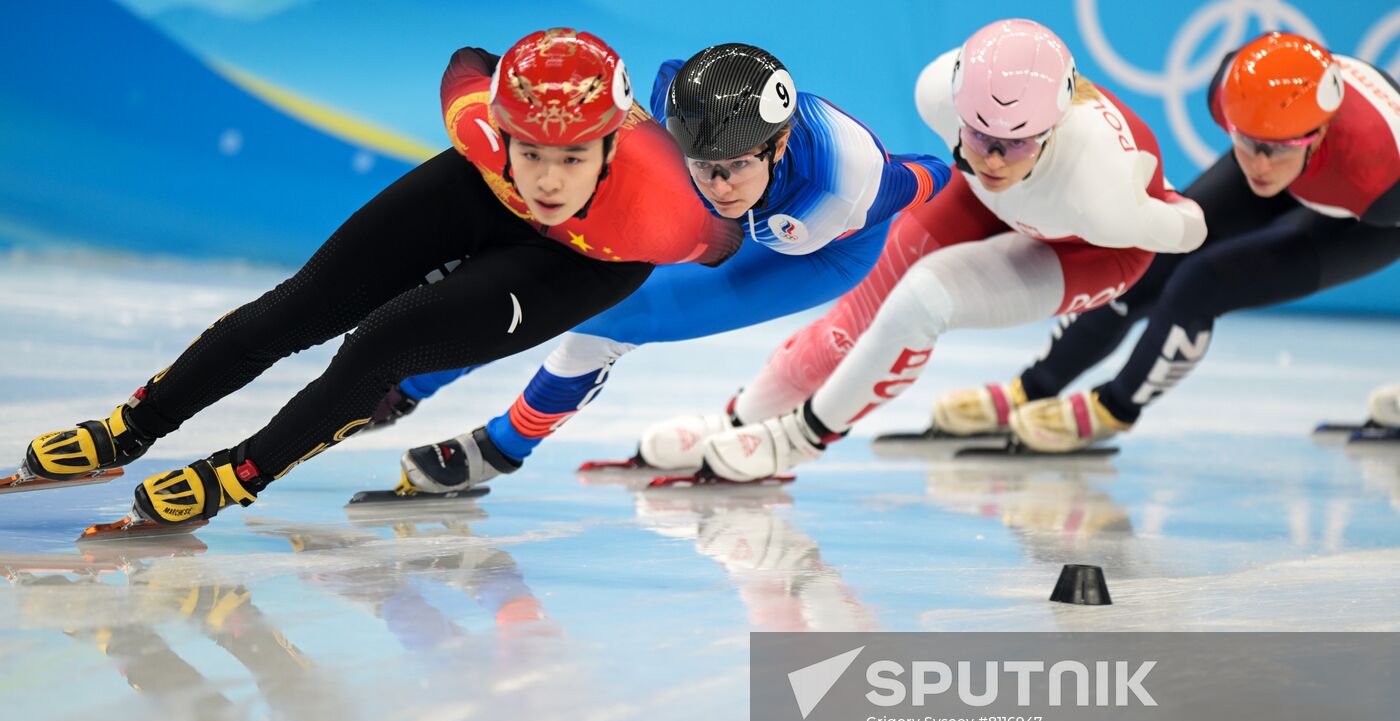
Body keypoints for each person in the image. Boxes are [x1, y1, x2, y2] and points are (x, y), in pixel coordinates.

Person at [16, 28, 742, 527]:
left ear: (612, 144)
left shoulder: (673, 214)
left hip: (582, 261)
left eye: (574, 156)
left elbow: (731, 239)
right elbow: (469, 60)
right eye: (532, 150)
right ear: (501, 130)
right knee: (297, 310)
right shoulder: (477, 127)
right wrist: (508, 160)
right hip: (481, 194)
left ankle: (237, 474)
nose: (550, 180)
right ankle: (130, 427)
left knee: (382, 345)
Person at [381, 43, 950, 495]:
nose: (719, 184)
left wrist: (964, 162)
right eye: (703, 165)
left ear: (777, 146)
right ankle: (407, 381)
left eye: (734, 167)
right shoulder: (681, 103)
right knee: (553, 272)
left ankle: (503, 447)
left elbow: (927, 173)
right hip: (742, 216)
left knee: (609, 318)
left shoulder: (850, 185)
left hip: (814, 252)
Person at [680, 19, 1207, 481]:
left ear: (1054, 130)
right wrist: (986, 154)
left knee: (925, 300)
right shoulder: (937, 89)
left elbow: (1194, 230)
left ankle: (798, 438)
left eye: (1017, 143)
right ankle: (738, 420)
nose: (996, 159)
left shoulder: (1101, 192)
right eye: (978, 136)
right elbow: (985, 159)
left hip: (1096, 248)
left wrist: (1153, 209)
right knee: (851, 324)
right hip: (979, 198)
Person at [926, 31, 1400, 453]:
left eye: (1275, 149)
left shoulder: (1379, 174)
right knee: (1149, 255)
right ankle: (1030, 390)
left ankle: (1113, 408)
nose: (1257, 164)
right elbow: (1262, 144)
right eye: (1244, 140)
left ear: (1317, 135)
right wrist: (1267, 146)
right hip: (1323, 170)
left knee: (1203, 283)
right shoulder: (1231, 84)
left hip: (1374, 220)